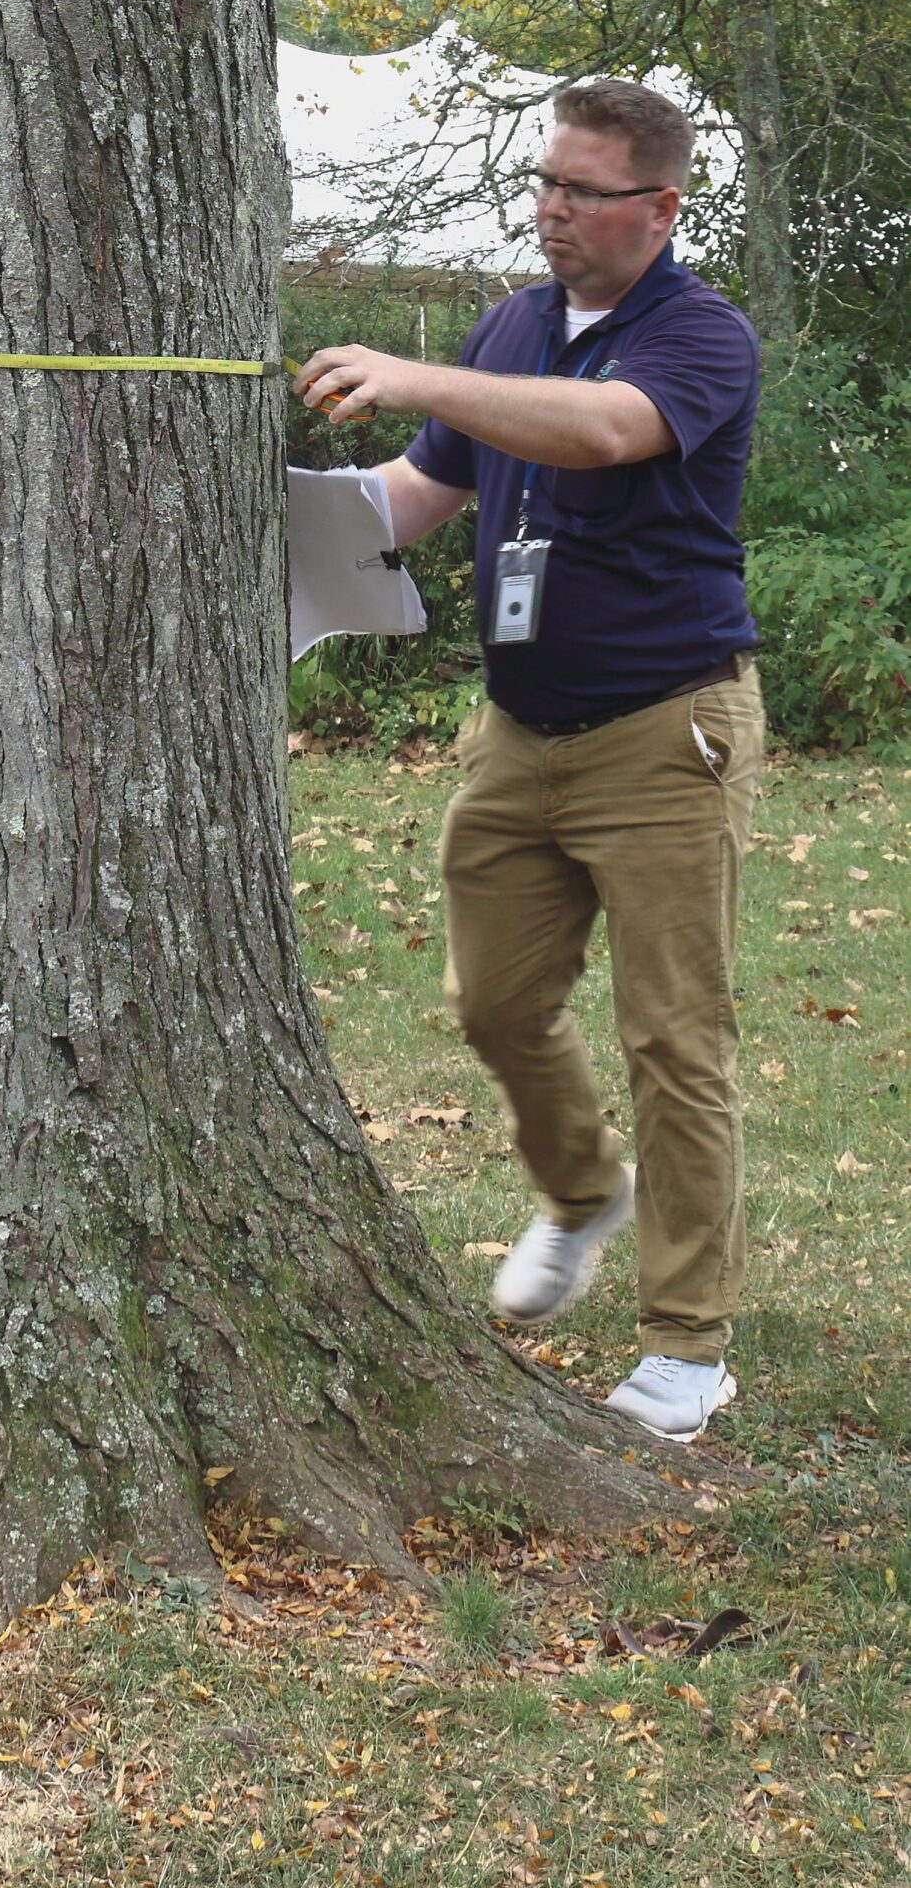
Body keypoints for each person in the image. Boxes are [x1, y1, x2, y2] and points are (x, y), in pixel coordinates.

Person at [299, 77, 764, 1443]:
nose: (552, 213)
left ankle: (686, 1349)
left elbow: (606, 430)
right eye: (544, 185)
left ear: (657, 207)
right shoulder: (513, 324)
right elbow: (422, 490)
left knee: (674, 1043)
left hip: (661, 733)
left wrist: (413, 372)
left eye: (581, 192)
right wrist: (295, 517)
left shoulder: (696, 336)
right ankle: (579, 1192)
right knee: (493, 1003)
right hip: (517, 735)